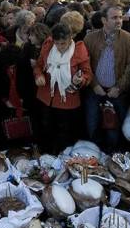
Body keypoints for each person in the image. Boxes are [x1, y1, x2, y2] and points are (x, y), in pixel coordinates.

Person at [83, 5, 130, 153]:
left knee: (114, 128)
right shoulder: (90, 38)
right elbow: (85, 64)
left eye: (120, 17)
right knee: (92, 124)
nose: (119, 21)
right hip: (95, 90)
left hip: (117, 92)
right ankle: (95, 155)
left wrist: (119, 87)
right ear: (104, 20)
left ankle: (113, 157)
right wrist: (94, 85)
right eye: (114, 17)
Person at [33, 23, 92, 153]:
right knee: (46, 128)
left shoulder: (79, 50)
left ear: (70, 38)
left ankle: (62, 157)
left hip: (67, 100)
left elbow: (87, 74)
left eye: (63, 44)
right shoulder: (48, 46)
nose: (60, 47)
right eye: (57, 43)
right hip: (47, 96)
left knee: (64, 131)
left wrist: (81, 79)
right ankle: (46, 156)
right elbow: (39, 65)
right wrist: (39, 76)